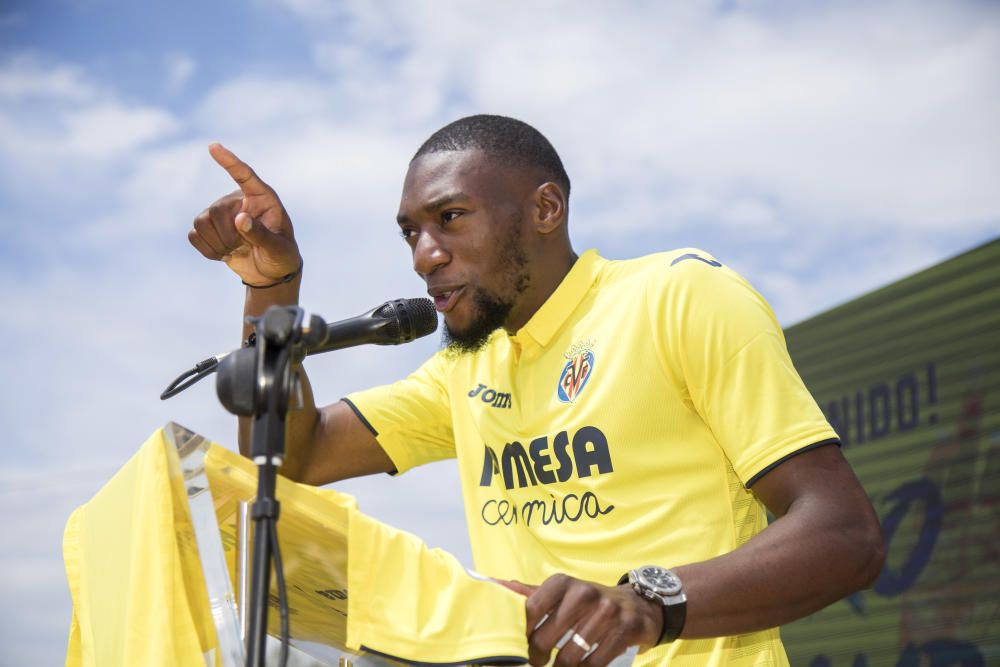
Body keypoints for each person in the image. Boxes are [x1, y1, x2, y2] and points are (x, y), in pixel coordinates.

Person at [189, 115, 884, 666]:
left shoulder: (677, 296)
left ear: (545, 208)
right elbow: (292, 458)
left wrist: (647, 604)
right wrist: (270, 289)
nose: (424, 254)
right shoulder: (467, 366)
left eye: (450, 217)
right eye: (411, 232)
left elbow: (845, 532)